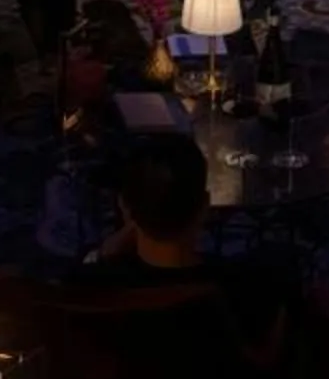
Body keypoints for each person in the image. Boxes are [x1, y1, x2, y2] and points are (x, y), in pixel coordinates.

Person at [76, 131, 292, 363]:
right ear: (205, 206)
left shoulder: (89, 289)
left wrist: (104, 254)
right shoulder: (246, 289)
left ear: (124, 205)